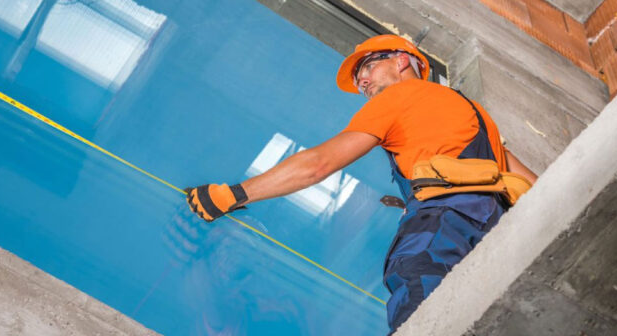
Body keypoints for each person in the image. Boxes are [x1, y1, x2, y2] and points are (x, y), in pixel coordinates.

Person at [184, 34, 537, 333]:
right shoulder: (470, 109)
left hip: (444, 218)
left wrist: (233, 195)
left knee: (419, 291)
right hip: (494, 225)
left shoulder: (398, 98)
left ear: (402, 61)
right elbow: (531, 185)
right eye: (358, 80)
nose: (362, 82)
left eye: (367, 67)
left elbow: (319, 164)